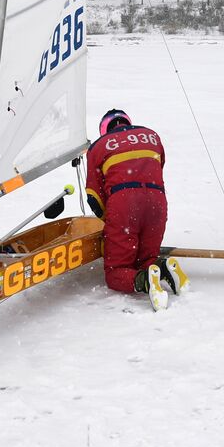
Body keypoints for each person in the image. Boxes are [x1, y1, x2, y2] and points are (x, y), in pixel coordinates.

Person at [84, 109, 187, 311]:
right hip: (157, 201)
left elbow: (93, 197)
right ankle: (163, 268)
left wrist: (112, 221)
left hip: (124, 203)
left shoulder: (98, 147)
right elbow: (159, 166)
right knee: (146, 258)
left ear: (105, 130)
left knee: (116, 271)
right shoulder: (152, 136)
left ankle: (146, 281)